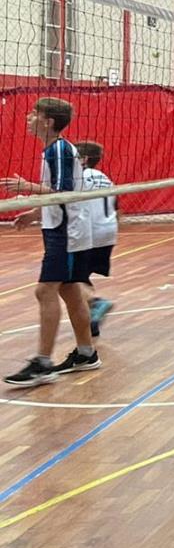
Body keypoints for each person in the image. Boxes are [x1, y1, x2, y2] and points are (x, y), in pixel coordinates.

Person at [2, 98, 99, 385]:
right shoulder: (56, 149)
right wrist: (35, 213)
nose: (28, 117)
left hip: (67, 232)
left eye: (35, 114)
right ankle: (86, 354)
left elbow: (64, 191)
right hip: (66, 228)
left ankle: (43, 363)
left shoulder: (58, 149)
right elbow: (60, 194)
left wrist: (27, 188)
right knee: (69, 291)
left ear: (49, 122)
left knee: (45, 291)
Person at [72, 141, 118, 338]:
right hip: (108, 231)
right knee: (82, 275)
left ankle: (96, 302)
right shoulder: (106, 179)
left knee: (71, 278)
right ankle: (92, 321)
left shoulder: (79, 176)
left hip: (89, 233)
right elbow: (117, 207)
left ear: (83, 159)